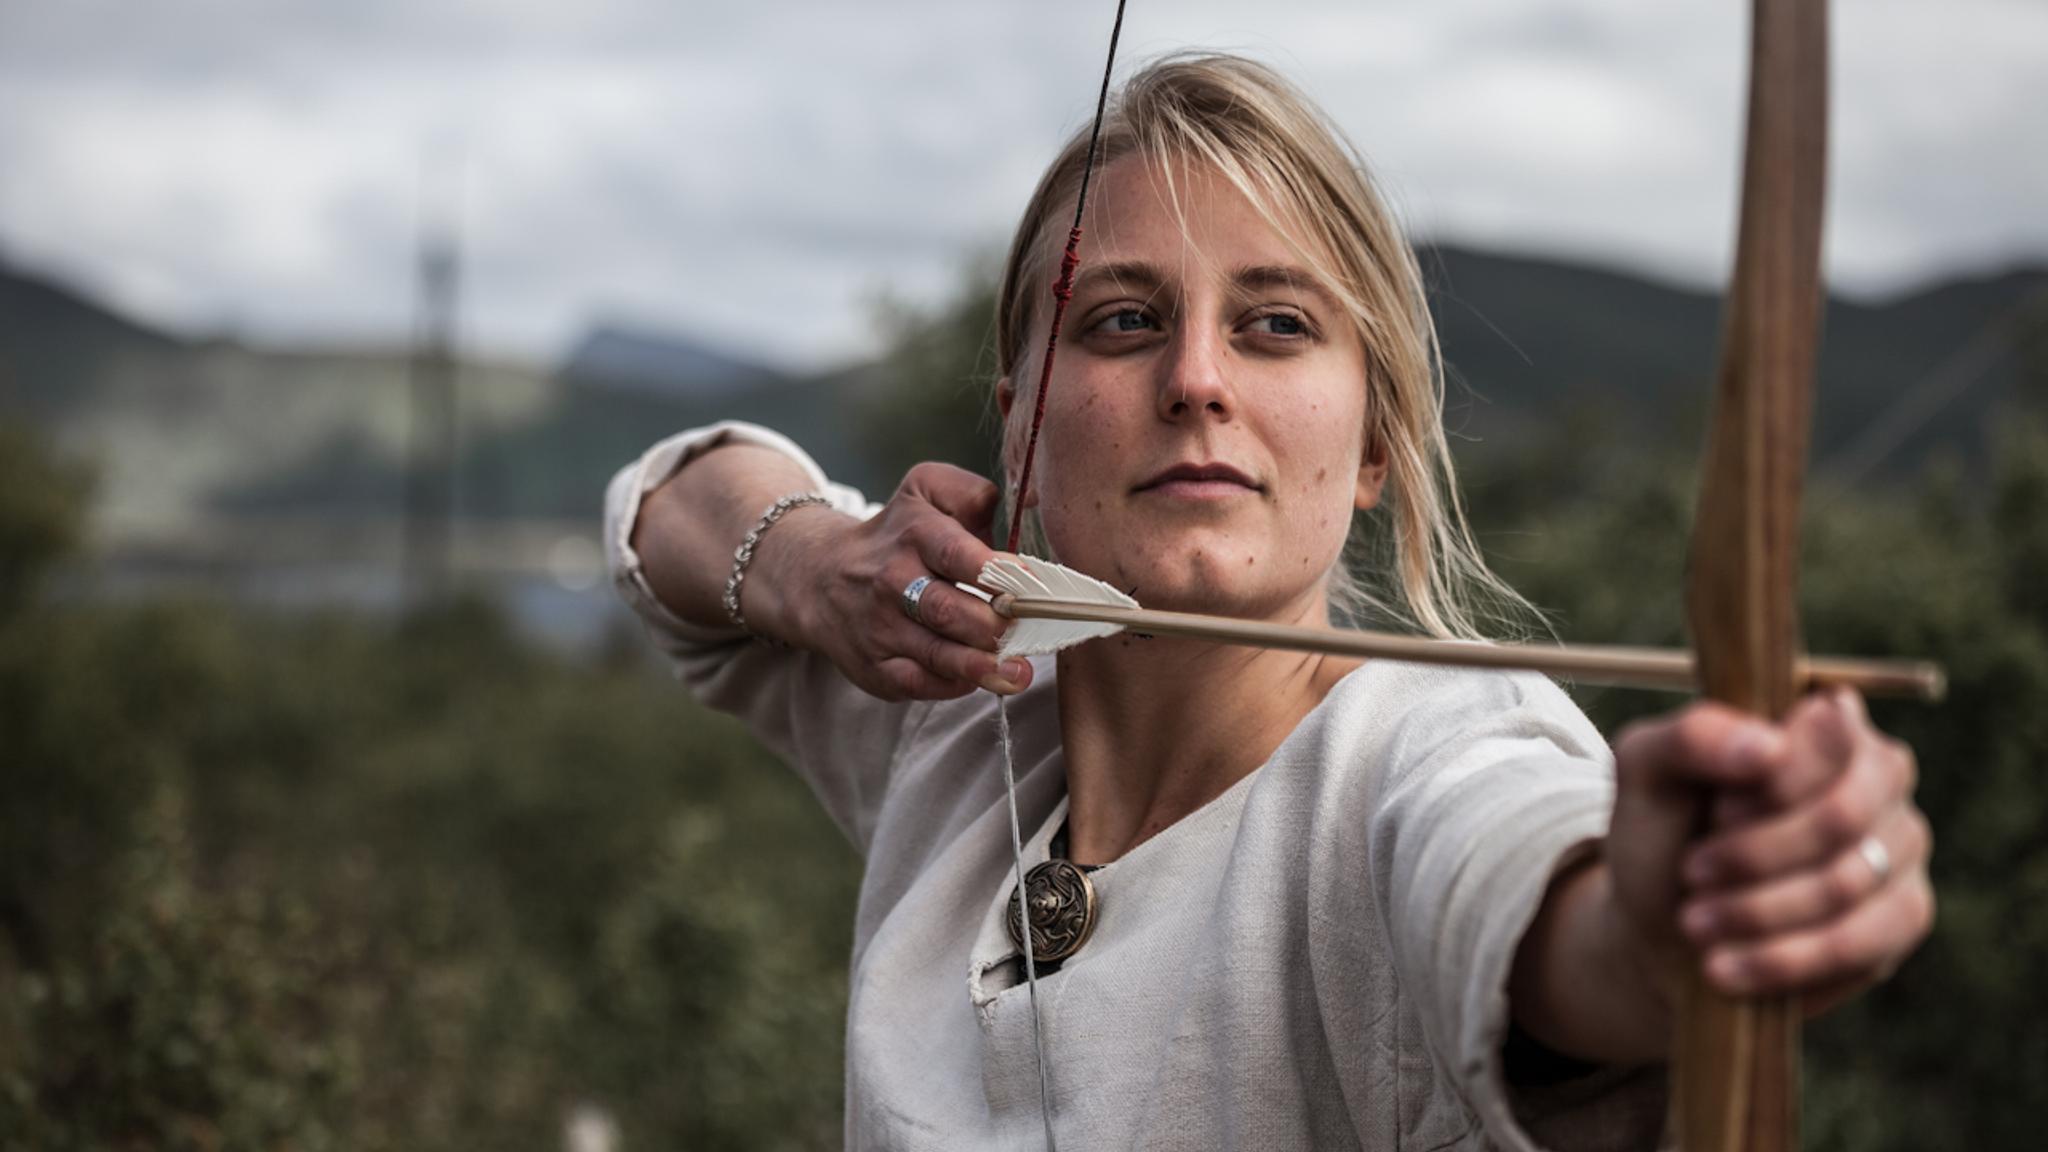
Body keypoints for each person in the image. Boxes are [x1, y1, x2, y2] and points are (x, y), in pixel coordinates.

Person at [605, 55, 1933, 1151]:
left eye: (1277, 325)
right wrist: (811, 562)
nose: (1196, 378)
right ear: (1016, 436)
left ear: (1370, 450)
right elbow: (664, 509)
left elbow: (1533, 898)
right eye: (1121, 320)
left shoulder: (1426, 749)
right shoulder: (956, 696)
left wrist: (1665, 916)